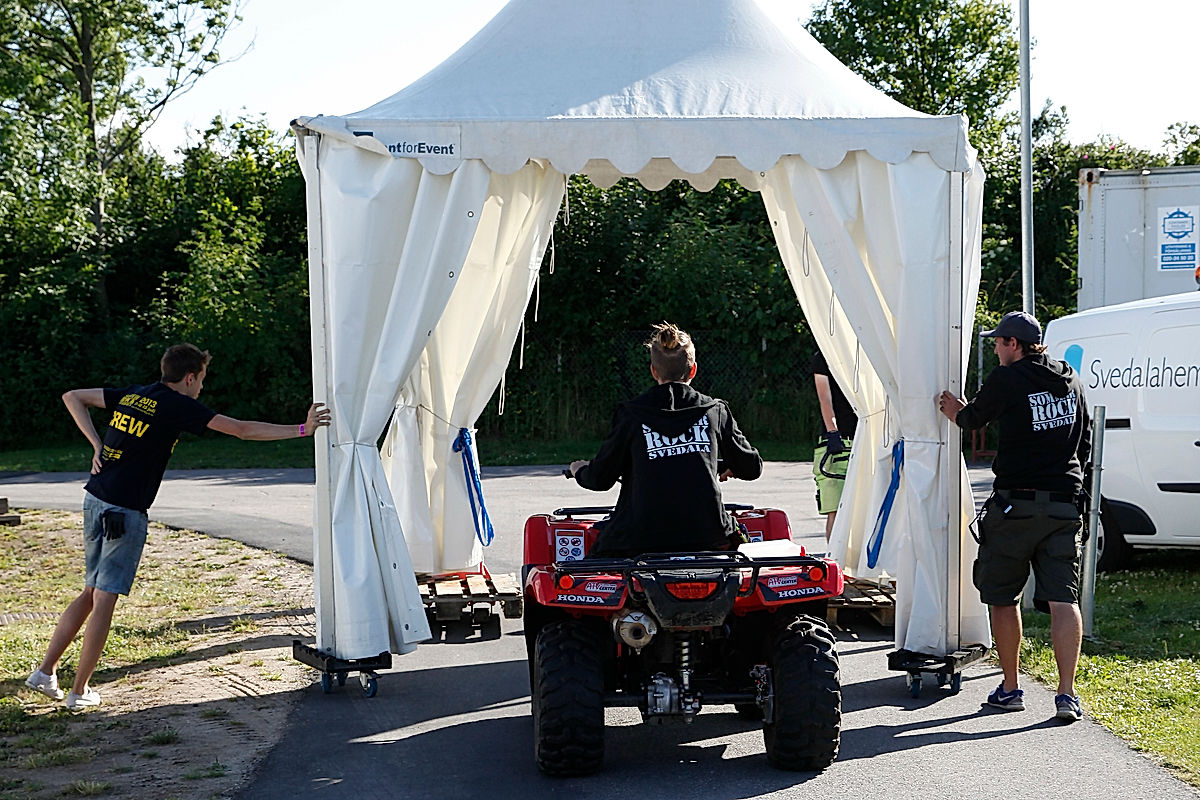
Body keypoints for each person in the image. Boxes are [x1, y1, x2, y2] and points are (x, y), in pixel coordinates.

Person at [25, 344, 331, 711]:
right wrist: (304, 428)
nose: (201, 387)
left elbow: (72, 396)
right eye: (201, 380)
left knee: (91, 592)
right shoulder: (177, 405)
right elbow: (241, 430)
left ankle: (45, 673)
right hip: (124, 512)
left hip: (95, 498)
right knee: (104, 599)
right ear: (189, 377)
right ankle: (80, 691)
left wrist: (97, 445)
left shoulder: (135, 394)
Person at [937, 311, 1091, 722]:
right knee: (1064, 599)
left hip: (1015, 507)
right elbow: (1085, 441)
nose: (994, 348)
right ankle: (1066, 694)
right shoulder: (1071, 379)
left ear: (1015, 345)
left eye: (998, 341)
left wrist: (954, 409)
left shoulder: (1008, 378)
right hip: (1063, 505)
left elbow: (972, 419)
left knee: (1003, 597)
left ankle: (1010, 688)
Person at [567, 323, 763, 556]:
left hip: (640, 542)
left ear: (653, 371)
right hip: (709, 538)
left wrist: (580, 470)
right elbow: (751, 468)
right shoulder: (714, 410)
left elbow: (600, 479)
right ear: (693, 370)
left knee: (590, 561)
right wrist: (732, 464)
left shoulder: (631, 414)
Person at [811, 349, 858, 541]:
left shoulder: (863, 352)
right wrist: (832, 432)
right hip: (839, 440)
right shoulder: (824, 356)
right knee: (836, 509)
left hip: (864, 435)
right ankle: (835, 555)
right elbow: (825, 398)